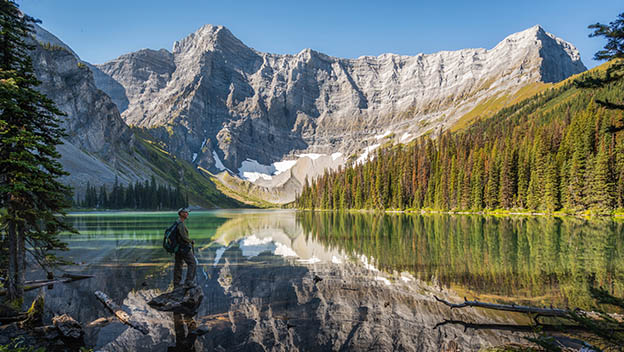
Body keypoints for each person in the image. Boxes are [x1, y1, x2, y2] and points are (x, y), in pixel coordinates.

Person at [173, 208, 196, 288]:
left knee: (178, 264)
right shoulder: (180, 224)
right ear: (181, 213)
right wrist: (191, 241)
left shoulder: (177, 222)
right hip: (183, 248)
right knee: (192, 263)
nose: (187, 214)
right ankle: (189, 282)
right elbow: (184, 237)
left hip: (177, 248)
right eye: (186, 212)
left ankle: (176, 283)